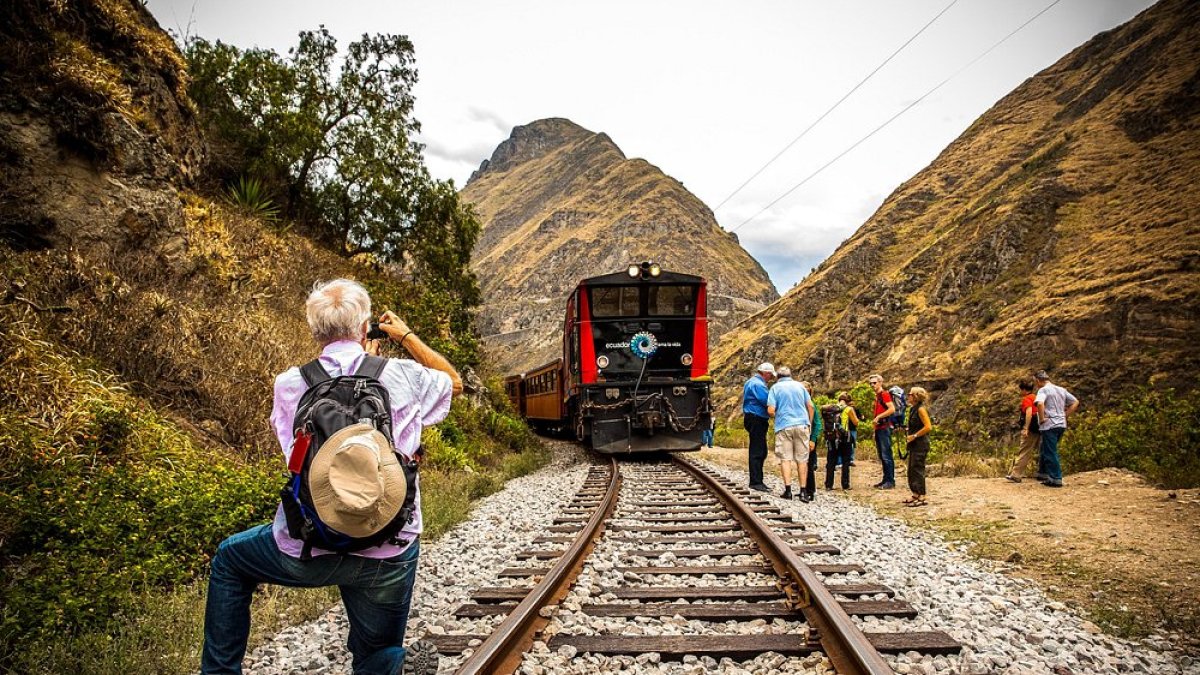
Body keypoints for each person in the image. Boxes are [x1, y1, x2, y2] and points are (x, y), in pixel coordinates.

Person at [201, 279, 462, 675]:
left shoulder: (290, 384)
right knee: (374, 654)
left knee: (230, 561)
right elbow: (454, 383)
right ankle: (393, 666)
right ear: (365, 327)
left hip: (308, 542)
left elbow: (296, 454)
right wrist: (405, 336)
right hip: (388, 546)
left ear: (314, 330)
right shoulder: (404, 376)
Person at [766, 367, 814, 501]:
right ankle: (803, 491)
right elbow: (810, 407)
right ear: (790, 375)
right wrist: (808, 424)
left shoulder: (775, 388)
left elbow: (770, 410)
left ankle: (788, 491)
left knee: (785, 459)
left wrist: (777, 416)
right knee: (802, 459)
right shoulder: (800, 386)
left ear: (777, 377)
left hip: (784, 426)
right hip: (802, 425)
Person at [1034, 370, 1079, 488]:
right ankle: (1043, 473)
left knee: (1050, 451)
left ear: (1038, 381)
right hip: (1061, 424)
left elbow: (1039, 403)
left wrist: (1042, 418)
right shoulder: (1061, 389)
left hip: (1049, 424)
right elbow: (1075, 402)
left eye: (1036, 382)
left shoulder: (1043, 390)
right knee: (1045, 448)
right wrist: (1065, 414)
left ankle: (1056, 478)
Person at [742, 362, 775, 492]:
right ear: (766, 373)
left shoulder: (751, 382)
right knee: (758, 450)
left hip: (753, 417)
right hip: (757, 418)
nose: (771, 378)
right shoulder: (758, 385)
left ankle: (758, 480)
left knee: (759, 449)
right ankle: (756, 481)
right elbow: (767, 401)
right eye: (770, 376)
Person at [1005, 377, 1042, 483]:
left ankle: (1016, 474)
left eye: (1021, 390)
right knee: (1041, 450)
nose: (1020, 392)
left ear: (1024, 390)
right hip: (1039, 427)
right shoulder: (1036, 397)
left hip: (1031, 428)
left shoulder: (1027, 399)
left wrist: (1026, 427)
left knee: (1024, 450)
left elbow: (1029, 412)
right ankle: (1043, 472)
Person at [903, 387, 933, 506]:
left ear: (915, 397)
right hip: (914, 444)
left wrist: (914, 435)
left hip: (920, 443)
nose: (908, 396)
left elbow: (928, 427)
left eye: (910, 394)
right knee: (911, 469)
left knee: (918, 469)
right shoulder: (912, 410)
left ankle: (922, 496)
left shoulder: (921, 410)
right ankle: (915, 493)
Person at [868, 374, 896, 489]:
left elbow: (892, 409)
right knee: (882, 455)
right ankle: (886, 479)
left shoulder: (884, 394)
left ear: (880, 382)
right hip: (880, 428)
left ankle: (890, 480)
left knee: (886, 455)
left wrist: (879, 417)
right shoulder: (877, 397)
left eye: (874, 383)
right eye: (871, 383)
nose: (872, 385)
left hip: (884, 428)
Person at [825, 393, 858, 490]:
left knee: (831, 461)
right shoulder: (848, 409)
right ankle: (845, 484)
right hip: (845, 437)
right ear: (848, 401)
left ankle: (828, 484)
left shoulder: (830, 408)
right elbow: (856, 422)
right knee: (846, 461)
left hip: (832, 437)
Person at [798, 381, 820, 501]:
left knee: (809, 464)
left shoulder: (811, 405)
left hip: (809, 438)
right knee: (802, 463)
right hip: (801, 437)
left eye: (806, 389)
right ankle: (804, 488)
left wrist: (813, 439)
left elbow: (817, 424)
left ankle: (810, 490)